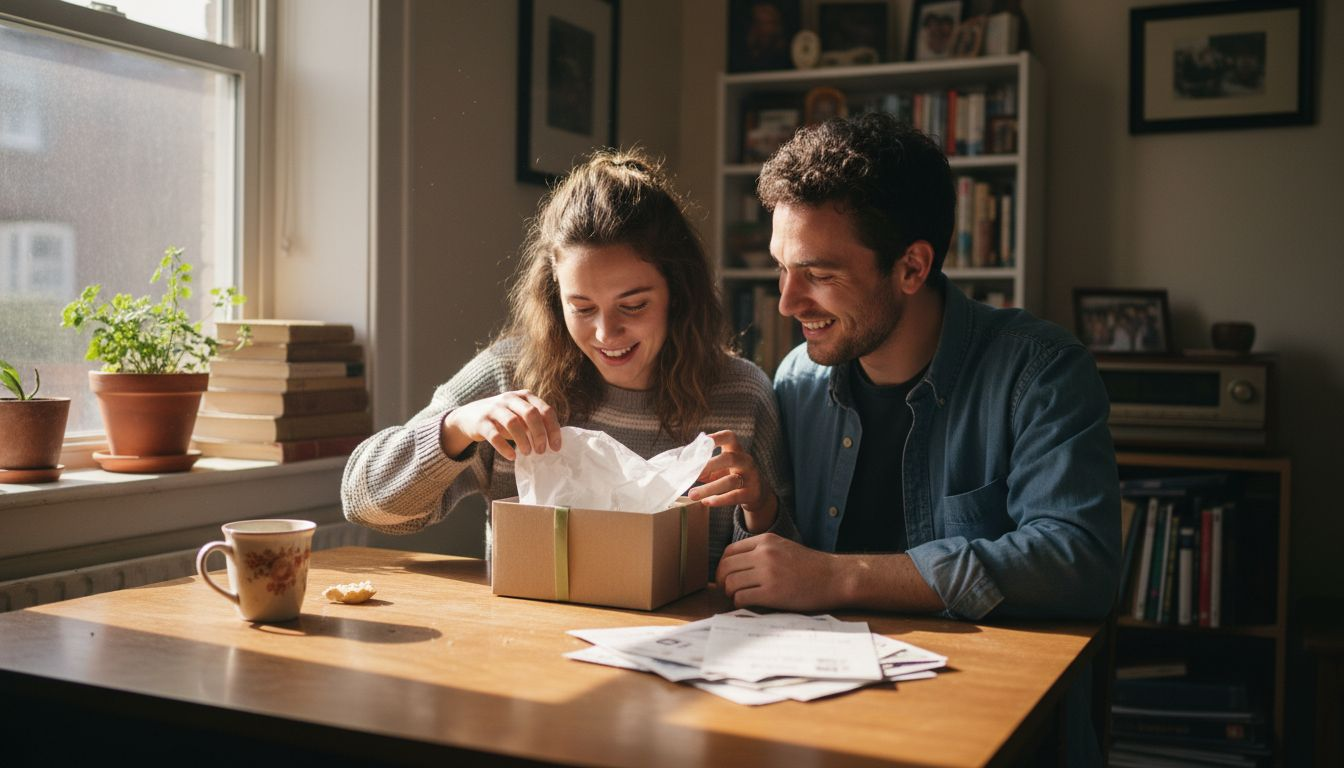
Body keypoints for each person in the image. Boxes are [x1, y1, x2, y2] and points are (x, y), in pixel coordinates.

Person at [715, 113, 1118, 763]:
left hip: (992, 730)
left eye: (818, 274)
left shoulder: (1040, 372)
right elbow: (790, 574)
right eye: (782, 269)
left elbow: (1079, 563)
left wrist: (841, 578)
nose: (787, 302)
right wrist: (761, 515)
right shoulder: (796, 382)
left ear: (912, 267)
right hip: (823, 724)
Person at [342, 150, 792, 575]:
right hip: (534, 628)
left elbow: (785, 565)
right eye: (581, 307)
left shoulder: (742, 395)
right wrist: (459, 426)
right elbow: (364, 503)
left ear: (678, 292)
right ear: (554, 297)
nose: (606, 333)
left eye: (633, 306)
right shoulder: (509, 376)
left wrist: (760, 507)